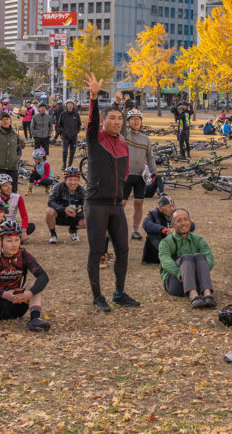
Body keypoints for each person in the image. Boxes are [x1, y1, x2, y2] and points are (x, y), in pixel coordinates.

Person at [83, 73, 139, 312]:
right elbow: (92, 122)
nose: (117, 121)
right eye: (113, 118)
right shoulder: (96, 138)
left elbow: (124, 173)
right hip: (96, 203)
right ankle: (98, 297)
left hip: (116, 205)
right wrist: (94, 98)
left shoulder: (124, 143)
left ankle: (119, 293)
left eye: (120, 118)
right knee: (97, 251)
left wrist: (122, 194)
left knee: (123, 251)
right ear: (105, 121)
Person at [0, 219, 51, 336]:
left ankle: (35, 319)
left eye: (17, 240)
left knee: (35, 285)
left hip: (16, 305)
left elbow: (43, 277)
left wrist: (28, 294)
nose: (14, 244)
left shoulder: (24, 255)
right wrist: (4, 294)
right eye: (9, 241)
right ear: (0, 241)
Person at [157, 208, 216, 308]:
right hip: (175, 281)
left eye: (186, 219)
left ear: (190, 221)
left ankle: (207, 294)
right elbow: (165, 262)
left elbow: (209, 258)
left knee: (199, 256)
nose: (183, 223)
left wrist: (199, 271)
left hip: (196, 279)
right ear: (172, 225)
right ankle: (193, 295)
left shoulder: (198, 239)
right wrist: (180, 274)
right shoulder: (166, 242)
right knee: (187, 258)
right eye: (179, 221)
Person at [121, 108, 156, 241]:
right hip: (126, 174)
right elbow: (122, 121)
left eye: (138, 119)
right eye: (133, 119)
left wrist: (154, 171)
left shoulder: (146, 139)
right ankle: (116, 228)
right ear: (128, 122)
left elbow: (150, 156)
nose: (136, 122)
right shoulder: (124, 135)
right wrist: (126, 106)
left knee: (139, 202)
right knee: (122, 202)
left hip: (140, 175)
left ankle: (135, 230)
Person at [0, 173, 34, 237]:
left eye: (10, 184)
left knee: (31, 226)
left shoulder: (18, 198)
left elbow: (24, 216)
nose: (9, 187)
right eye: (5, 185)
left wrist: (24, 230)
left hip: (12, 226)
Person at [47, 166, 85, 244]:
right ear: (65, 180)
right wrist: (64, 209)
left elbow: (87, 209)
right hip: (59, 215)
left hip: (73, 217)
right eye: (70, 180)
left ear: (78, 180)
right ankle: (53, 235)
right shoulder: (58, 187)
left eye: (75, 180)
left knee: (91, 218)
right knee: (49, 211)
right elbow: (50, 201)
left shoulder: (82, 191)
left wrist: (77, 215)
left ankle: (73, 229)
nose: (73, 183)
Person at [0, 110, 24, 194]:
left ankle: (10, 207)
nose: (5, 121)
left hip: (12, 168)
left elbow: (19, 148)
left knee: (13, 192)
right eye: (2, 120)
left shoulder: (14, 135)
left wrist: (17, 157)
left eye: (7, 119)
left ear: (10, 120)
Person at [57, 100, 82, 169]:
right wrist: (63, 132)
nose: (70, 105)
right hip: (65, 136)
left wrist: (76, 131)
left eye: (71, 104)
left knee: (72, 152)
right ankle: (64, 164)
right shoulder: (63, 114)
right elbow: (59, 125)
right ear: (66, 105)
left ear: (73, 105)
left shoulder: (76, 114)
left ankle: (69, 165)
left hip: (74, 136)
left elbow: (79, 124)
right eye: (68, 104)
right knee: (65, 151)